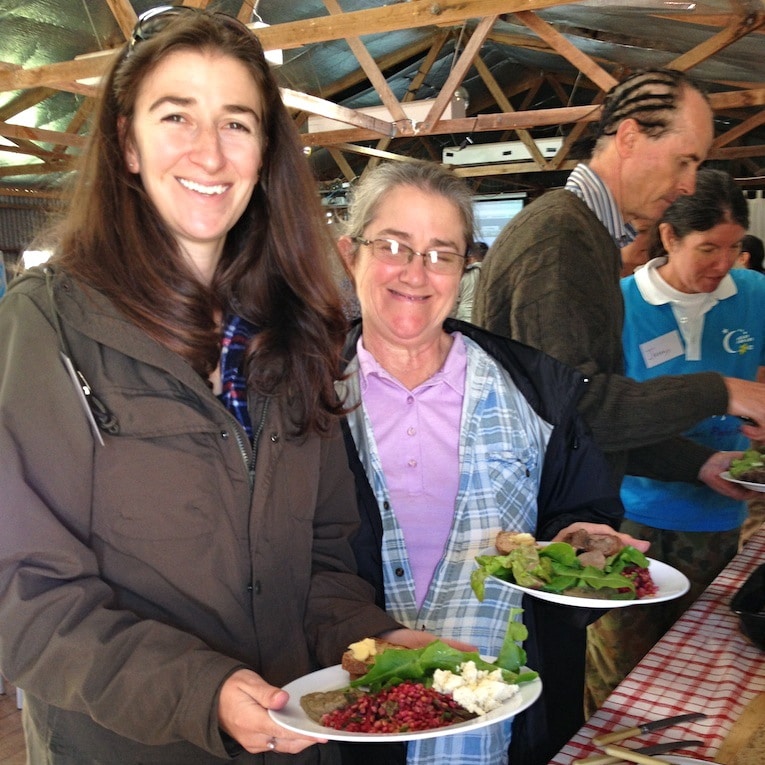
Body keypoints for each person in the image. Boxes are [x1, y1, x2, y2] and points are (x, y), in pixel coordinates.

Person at [0, 9, 435, 764]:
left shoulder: (296, 329)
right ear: (126, 144)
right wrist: (200, 691)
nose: (209, 152)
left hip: (293, 738)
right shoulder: (47, 326)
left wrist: (372, 642)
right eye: (177, 116)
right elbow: (23, 594)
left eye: (237, 123)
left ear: (264, 151)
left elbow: (325, 553)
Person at [335, 160, 647, 765]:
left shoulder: (534, 388)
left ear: (464, 267)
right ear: (352, 255)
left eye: (441, 253)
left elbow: (576, 508)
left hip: (504, 719)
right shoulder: (300, 397)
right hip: (349, 722)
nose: (415, 273)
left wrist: (580, 545)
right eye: (394, 245)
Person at [473, 67, 765, 499]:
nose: (688, 186)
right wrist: (720, 390)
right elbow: (577, 412)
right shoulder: (561, 237)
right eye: (684, 161)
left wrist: (698, 463)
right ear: (629, 138)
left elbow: (597, 419)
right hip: (543, 513)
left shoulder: (582, 233)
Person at [586, 168, 765, 709]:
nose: (723, 264)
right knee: (618, 669)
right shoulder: (618, 304)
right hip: (631, 514)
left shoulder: (755, 295)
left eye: (734, 249)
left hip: (718, 516)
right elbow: (602, 413)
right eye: (708, 247)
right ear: (668, 237)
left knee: (700, 671)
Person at [451, 240, 487, 320]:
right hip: (483, 317)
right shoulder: (490, 273)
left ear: (471, 258)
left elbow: (455, 302)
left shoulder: (465, 274)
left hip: (464, 318)